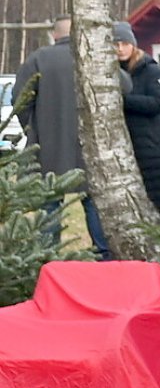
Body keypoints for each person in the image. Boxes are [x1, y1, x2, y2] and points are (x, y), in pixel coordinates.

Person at [15, 17, 101, 254]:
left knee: (50, 204)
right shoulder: (92, 57)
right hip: (90, 147)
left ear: (55, 35)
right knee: (93, 203)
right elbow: (124, 87)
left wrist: (31, 127)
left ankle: (48, 256)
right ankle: (104, 255)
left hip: (48, 147)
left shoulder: (39, 59)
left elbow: (20, 98)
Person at [114, 21, 160, 221]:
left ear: (133, 44)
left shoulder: (150, 69)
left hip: (152, 146)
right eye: (116, 44)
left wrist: (124, 101)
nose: (120, 49)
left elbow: (158, 102)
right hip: (129, 144)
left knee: (155, 204)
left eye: (125, 44)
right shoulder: (110, 72)